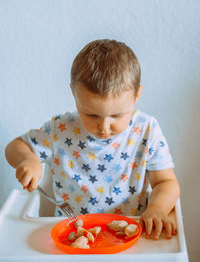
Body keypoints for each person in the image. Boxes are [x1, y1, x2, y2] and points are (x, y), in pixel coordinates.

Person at [5, 39, 180, 240]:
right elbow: (15, 146)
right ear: (74, 93)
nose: (104, 127)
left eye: (117, 116)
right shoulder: (60, 130)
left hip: (130, 235)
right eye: (92, 115)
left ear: (136, 95)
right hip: (72, 235)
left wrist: (157, 208)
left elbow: (166, 182)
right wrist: (27, 159)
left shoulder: (147, 130)